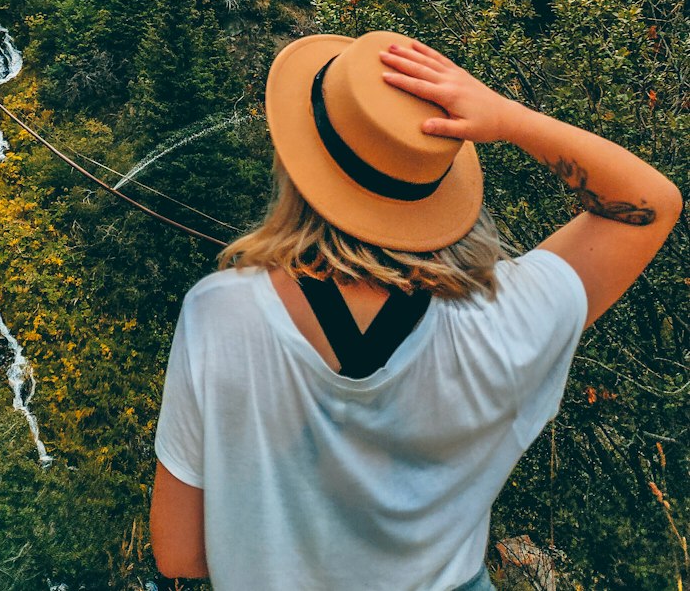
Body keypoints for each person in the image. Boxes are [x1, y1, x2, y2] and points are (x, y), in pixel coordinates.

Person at [149, 31, 682, 591]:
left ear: (299, 165)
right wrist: (506, 118)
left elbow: (180, 554)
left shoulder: (223, 313)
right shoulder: (508, 317)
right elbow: (650, 204)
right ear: (439, 180)